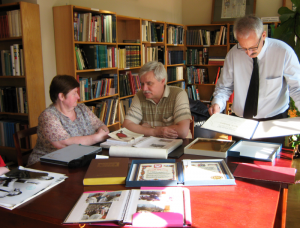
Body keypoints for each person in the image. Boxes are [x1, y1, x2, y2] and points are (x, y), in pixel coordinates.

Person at [208, 15, 300, 143]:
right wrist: (217, 103)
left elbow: (297, 88)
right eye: (243, 47)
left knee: (268, 162)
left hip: (273, 122)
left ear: (263, 35)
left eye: (253, 47)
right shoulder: (234, 54)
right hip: (239, 122)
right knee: (237, 161)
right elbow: (224, 87)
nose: (248, 53)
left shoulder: (283, 52)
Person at [27, 75, 109, 166]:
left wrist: (103, 132)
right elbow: (65, 144)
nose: (78, 97)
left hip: (77, 159)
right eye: (74, 93)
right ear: (61, 96)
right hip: (47, 165)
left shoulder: (82, 108)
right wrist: (97, 137)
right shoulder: (48, 116)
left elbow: (101, 126)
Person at [122, 61, 192, 139]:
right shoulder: (139, 96)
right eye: (142, 84)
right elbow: (126, 126)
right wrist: (155, 132)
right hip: (151, 145)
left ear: (162, 81)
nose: (144, 89)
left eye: (149, 83)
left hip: (179, 145)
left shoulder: (178, 94)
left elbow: (182, 131)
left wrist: (146, 129)